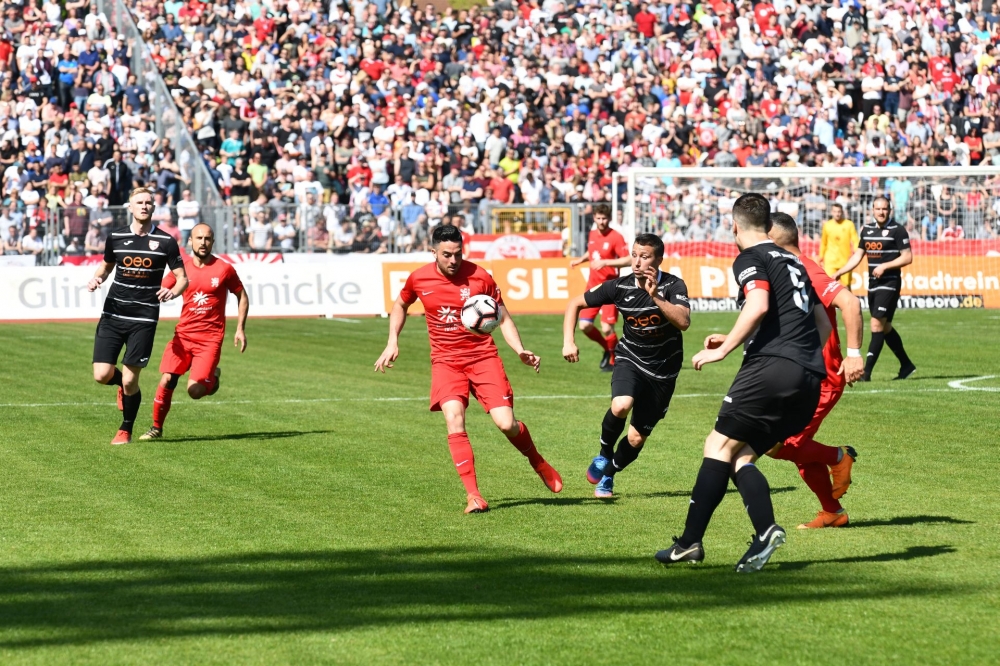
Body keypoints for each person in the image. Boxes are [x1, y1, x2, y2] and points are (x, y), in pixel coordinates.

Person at [655, 193, 830, 573]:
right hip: (810, 378)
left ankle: (688, 544)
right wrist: (768, 344)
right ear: (768, 224)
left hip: (772, 370)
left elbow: (759, 305)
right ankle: (765, 532)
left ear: (734, 226)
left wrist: (726, 349)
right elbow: (823, 324)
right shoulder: (796, 263)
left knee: (717, 445)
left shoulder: (751, 258)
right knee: (742, 455)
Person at [374, 224, 562, 514]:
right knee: (454, 418)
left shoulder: (480, 276)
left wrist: (519, 350)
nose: (453, 260)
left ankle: (537, 461)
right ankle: (474, 496)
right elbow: (400, 304)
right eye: (446, 254)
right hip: (446, 361)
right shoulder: (419, 278)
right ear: (433, 251)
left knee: (505, 424)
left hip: (483, 357)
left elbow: (503, 317)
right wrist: (392, 342)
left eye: (457, 254)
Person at [562, 233, 690, 498]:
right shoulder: (618, 286)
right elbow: (574, 303)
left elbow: (684, 322)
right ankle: (603, 454)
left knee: (635, 439)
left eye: (645, 257)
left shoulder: (674, 286)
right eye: (634, 255)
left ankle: (609, 474)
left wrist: (656, 297)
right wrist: (568, 341)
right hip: (630, 357)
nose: (637, 262)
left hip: (663, 371)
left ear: (659, 259)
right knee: (621, 404)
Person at [765, 213, 865, 529]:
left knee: (784, 444)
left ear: (774, 240)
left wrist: (853, 354)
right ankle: (833, 511)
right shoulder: (786, 271)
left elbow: (850, 303)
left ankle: (839, 457)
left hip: (822, 378)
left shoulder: (808, 271)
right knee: (794, 449)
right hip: (799, 374)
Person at [87, 187, 187, 446]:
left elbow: (182, 279)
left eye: (148, 202)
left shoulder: (166, 241)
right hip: (113, 313)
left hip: (144, 318)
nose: (143, 206)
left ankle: (125, 429)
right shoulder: (116, 236)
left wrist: (172, 292)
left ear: (153, 207)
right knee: (101, 375)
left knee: (132, 378)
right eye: (139, 202)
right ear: (130, 207)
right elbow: (106, 266)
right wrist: (97, 278)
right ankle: (121, 387)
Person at [139, 224, 249, 440]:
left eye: (207, 239)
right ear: (190, 241)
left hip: (209, 340)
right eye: (198, 238)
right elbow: (159, 289)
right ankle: (156, 429)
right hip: (183, 337)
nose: (203, 242)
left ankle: (213, 377)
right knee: (167, 379)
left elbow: (241, 295)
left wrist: (240, 328)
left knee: (194, 392)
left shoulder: (224, 269)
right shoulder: (182, 270)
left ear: (213, 241)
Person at [834, 196, 915, 381]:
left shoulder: (898, 230)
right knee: (885, 327)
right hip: (873, 284)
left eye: (884, 209)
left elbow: (907, 257)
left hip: (890, 283)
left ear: (890, 210)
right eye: (878, 209)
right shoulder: (867, 230)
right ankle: (906, 365)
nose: (881, 212)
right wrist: (840, 272)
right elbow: (858, 256)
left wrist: (885, 266)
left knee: (876, 324)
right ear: (872, 210)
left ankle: (866, 373)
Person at [568, 204, 630, 371]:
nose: (601, 221)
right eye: (598, 218)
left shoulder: (616, 237)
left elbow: (629, 260)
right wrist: (580, 260)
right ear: (594, 218)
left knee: (606, 327)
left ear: (609, 219)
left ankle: (614, 358)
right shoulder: (593, 233)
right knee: (584, 326)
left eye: (604, 218)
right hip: (593, 286)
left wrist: (607, 262)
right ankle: (609, 349)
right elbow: (592, 252)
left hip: (611, 288)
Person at [819, 203, 859, 288]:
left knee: (846, 287)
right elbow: (824, 242)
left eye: (839, 211)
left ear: (842, 212)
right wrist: (821, 257)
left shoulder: (849, 224)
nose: (837, 214)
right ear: (831, 212)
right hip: (830, 261)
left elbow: (855, 240)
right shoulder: (827, 225)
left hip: (845, 261)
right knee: (830, 286)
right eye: (835, 211)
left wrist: (856, 252)